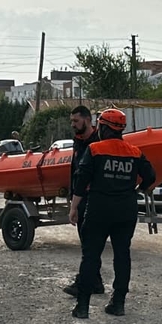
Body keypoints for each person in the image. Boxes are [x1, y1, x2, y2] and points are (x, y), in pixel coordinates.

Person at [68, 108, 155, 318]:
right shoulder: (134, 152)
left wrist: (73, 207)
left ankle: (82, 306)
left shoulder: (95, 149)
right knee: (122, 255)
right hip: (126, 211)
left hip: (99, 209)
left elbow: (81, 180)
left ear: (104, 128)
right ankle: (118, 303)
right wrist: (137, 190)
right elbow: (151, 176)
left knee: (90, 256)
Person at [63, 105, 103, 297]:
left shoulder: (98, 142)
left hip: (94, 199)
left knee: (89, 244)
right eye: (71, 121)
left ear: (87, 120)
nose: (73, 125)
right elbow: (75, 172)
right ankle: (96, 282)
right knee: (87, 243)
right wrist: (73, 200)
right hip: (81, 198)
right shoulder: (78, 142)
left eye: (76, 121)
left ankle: (84, 283)